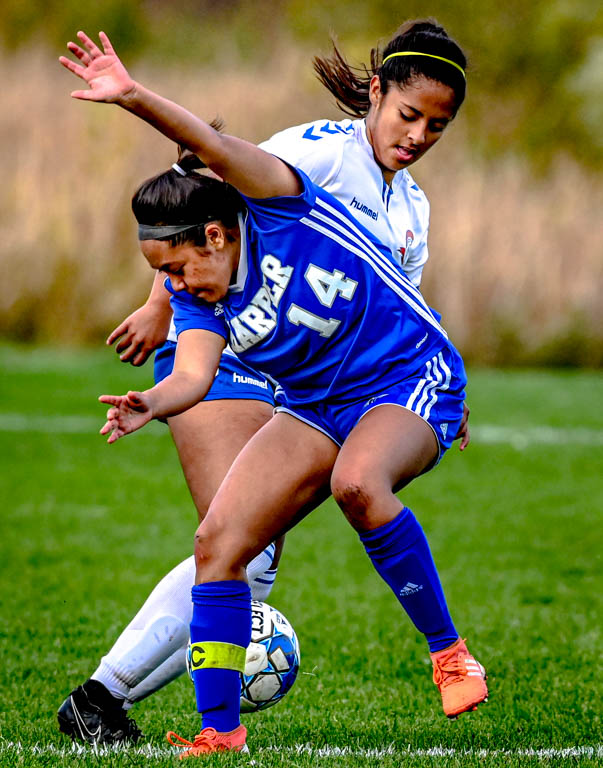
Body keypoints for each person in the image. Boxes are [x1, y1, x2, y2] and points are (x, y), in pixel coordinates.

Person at [59, 28, 487, 757]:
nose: (417, 135)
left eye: (435, 126)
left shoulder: (409, 207)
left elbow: (399, 308)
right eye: (407, 114)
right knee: (234, 548)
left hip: (332, 375)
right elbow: (204, 182)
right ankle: (145, 710)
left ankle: (445, 654)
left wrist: (436, 398)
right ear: (376, 92)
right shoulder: (312, 155)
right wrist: (163, 307)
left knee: (283, 532)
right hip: (242, 352)